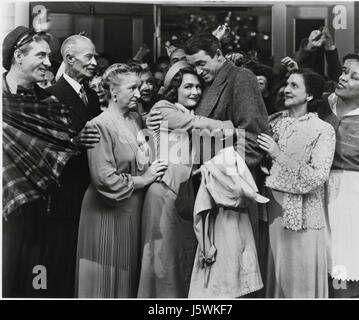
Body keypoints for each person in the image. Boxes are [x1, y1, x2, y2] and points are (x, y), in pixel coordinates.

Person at [138, 61, 236, 298]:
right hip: (163, 192)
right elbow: (192, 125)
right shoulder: (163, 107)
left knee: (183, 257)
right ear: (175, 89)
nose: (195, 92)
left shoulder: (194, 112)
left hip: (187, 194)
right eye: (188, 87)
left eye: (198, 87)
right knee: (162, 260)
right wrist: (229, 126)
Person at [184, 33, 269, 296]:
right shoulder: (209, 83)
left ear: (219, 55)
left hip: (230, 192)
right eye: (193, 66)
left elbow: (253, 138)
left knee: (231, 278)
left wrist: (219, 172)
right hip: (210, 190)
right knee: (217, 275)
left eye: (201, 63)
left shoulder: (240, 77)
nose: (198, 71)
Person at [75, 63, 168, 298]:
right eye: (132, 88)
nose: (139, 93)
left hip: (132, 211)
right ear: (113, 92)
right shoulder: (98, 125)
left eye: (139, 87)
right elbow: (105, 180)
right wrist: (144, 179)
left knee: (126, 281)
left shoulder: (137, 120)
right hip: (106, 212)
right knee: (105, 284)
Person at [2, 26, 75, 297]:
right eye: (41, 55)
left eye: (49, 56)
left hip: (40, 212)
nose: (48, 62)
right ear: (18, 56)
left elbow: (59, 148)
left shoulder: (49, 103)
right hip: (6, 211)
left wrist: (76, 143)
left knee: (37, 283)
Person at [257, 69, 336, 298]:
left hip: (306, 215)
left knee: (301, 279)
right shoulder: (275, 123)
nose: (287, 90)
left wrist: (277, 155)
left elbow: (317, 177)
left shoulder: (323, 130)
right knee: (277, 273)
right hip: (274, 211)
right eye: (287, 84)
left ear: (310, 96)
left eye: (294, 86)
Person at [44, 34, 101, 297]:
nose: (94, 63)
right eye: (88, 57)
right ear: (69, 58)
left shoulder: (91, 95)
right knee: (63, 267)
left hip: (91, 194)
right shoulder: (50, 96)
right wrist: (73, 142)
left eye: (94, 56)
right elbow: (44, 149)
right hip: (65, 198)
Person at [318, 59, 359, 298]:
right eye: (344, 72)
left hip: (350, 203)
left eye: (354, 77)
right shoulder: (323, 104)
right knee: (318, 270)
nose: (344, 77)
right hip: (316, 194)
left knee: (342, 274)